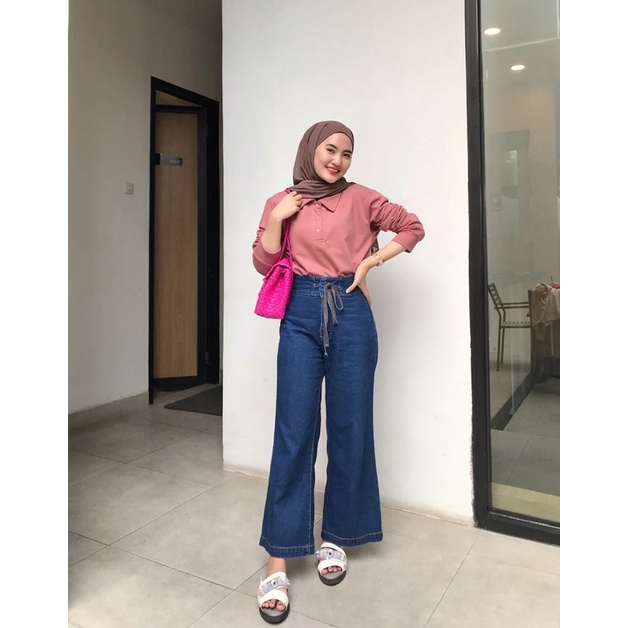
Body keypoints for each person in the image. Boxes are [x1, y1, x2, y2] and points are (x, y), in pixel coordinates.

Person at [252, 120, 425, 623]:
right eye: (330, 149)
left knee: (350, 429)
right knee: (294, 432)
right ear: (311, 149)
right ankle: (279, 558)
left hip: (351, 312)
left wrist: (369, 264)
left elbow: (412, 226)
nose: (338, 160)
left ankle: (336, 538)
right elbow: (262, 263)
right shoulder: (282, 201)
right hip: (299, 314)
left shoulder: (362, 198)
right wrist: (276, 219)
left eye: (347, 153)